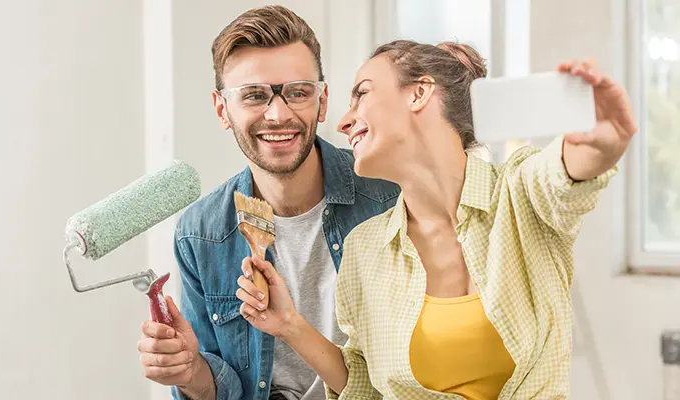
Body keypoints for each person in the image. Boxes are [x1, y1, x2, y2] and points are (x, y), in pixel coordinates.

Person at [235, 40, 637, 398]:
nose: (342, 121)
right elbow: (365, 386)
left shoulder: (519, 195)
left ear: (419, 92)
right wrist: (289, 324)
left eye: (361, 94)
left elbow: (565, 172)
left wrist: (604, 139)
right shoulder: (366, 249)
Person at [135, 5, 399, 400]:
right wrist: (191, 372)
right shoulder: (200, 234)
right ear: (222, 109)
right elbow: (220, 391)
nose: (278, 114)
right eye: (254, 95)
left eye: (297, 92)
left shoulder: (388, 197)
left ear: (322, 101)